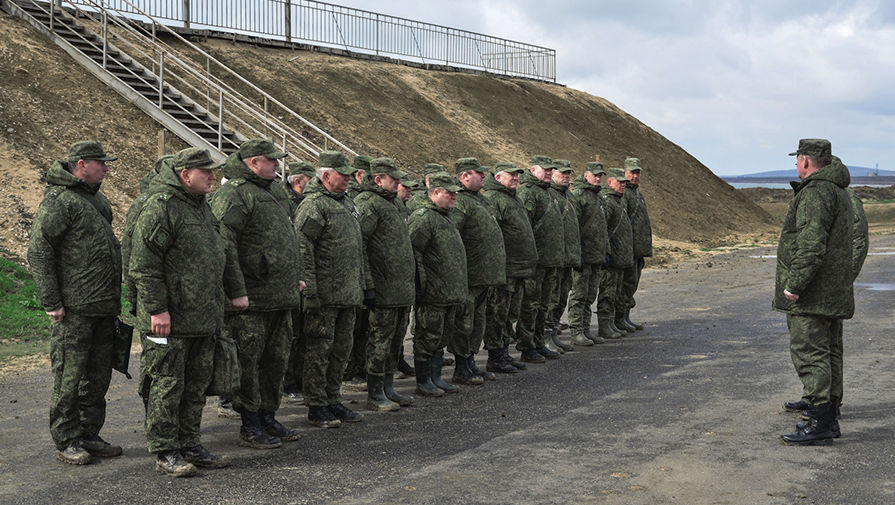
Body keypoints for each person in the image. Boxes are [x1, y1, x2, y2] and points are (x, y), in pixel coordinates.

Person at [129, 147, 231, 476]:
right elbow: (144, 265)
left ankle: (190, 443)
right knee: (166, 384)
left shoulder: (202, 208)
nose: (213, 176)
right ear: (185, 174)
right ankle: (165, 450)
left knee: (195, 386)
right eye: (206, 171)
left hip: (200, 319)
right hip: (166, 323)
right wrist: (157, 309)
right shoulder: (162, 207)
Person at [28, 141, 123, 465]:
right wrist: (51, 301)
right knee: (69, 378)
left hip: (102, 306)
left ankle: (89, 434)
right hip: (75, 309)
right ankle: (66, 439)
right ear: (82, 165)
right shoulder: (60, 201)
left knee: (97, 379)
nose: (107, 169)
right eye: (101, 163)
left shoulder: (95, 199)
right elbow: (40, 251)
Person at [211, 139, 303, 448]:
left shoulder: (273, 191)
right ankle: (250, 424)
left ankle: (268, 416)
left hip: (279, 296)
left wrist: (296, 277)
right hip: (252, 300)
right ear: (253, 163)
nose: (277, 165)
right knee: (249, 363)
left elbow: (288, 239)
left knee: (276, 361)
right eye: (272, 160)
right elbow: (224, 245)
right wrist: (236, 290)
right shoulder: (234, 194)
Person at [775, 139, 854, 445]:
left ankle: (820, 423)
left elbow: (810, 244)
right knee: (830, 352)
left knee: (811, 353)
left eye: (798, 160)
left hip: (814, 294)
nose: (797, 165)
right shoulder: (838, 191)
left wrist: (794, 285)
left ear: (806, 161)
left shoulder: (815, 193)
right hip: (832, 292)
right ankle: (828, 417)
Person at [294, 150, 368, 427]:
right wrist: (310, 290)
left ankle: (333, 399)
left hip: (348, 293)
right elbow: (303, 248)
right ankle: (316, 405)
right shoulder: (315, 205)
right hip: (325, 295)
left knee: (341, 351)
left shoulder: (345, 202)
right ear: (326, 176)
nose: (349, 179)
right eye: (343, 174)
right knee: (319, 351)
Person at [354, 158, 416, 411]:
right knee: (380, 340)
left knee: (395, 339)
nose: (398, 184)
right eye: (394, 179)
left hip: (401, 288)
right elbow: (361, 246)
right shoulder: (368, 204)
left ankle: (389, 387)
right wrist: (369, 284)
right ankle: (375, 391)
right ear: (378, 179)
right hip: (383, 288)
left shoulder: (394, 205)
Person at [408, 174, 468, 396]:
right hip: (433, 292)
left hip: (449, 292)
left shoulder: (445, 217)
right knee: (427, 336)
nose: (453, 197)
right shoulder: (424, 218)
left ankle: (435, 376)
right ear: (434, 193)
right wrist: (421, 284)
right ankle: (424, 380)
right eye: (448, 193)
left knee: (442, 336)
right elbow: (414, 253)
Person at [448, 158, 506, 385]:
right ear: (464, 176)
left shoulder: (481, 200)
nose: (484, 177)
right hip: (469, 275)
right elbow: (454, 236)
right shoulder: (461, 202)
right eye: (478, 174)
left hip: (484, 276)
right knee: (464, 322)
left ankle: (471, 362)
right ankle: (462, 366)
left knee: (477, 321)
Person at [122, 154, 173, 413]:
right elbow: (132, 253)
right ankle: (150, 410)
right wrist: (132, 298)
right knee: (156, 360)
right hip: (149, 301)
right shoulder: (147, 204)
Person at [482, 162, 537, 372]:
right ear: (498, 178)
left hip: (518, 269)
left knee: (509, 314)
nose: (515, 178)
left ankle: (504, 353)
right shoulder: (495, 200)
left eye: (517, 176)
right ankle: (495, 356)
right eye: (511, 176)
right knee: (498, 313)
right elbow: (493, 236)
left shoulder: (513, 199)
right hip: (505, 269)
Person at [516, 155, 564, 363]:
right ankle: (527, 346)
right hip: (535, 262)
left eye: (550, 170)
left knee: (543, 305)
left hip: (549, 261)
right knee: (530, 305)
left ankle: (538, 342)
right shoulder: (528, 193)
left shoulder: (548, 193)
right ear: (532, 169)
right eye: (544, 169)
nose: (548, 172)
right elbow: (525, 228)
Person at [282, 160, 316, 405]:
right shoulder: (284, 202)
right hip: (288, 280)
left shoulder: (307, 202)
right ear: (298, 181)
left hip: (304, 279)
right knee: (290, 336)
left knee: (304, 335)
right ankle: (288, 383)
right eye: (309, 179)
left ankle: (300, 380)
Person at [568, 161, 609, 346]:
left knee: (590, 295)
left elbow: (602, 228)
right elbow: (573, 228)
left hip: (596, 256)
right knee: (579, 295)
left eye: (600, 175)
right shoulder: (579, 196)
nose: (598, 178)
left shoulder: (597, 197)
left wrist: (605, 251)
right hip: (584, 256)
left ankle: (585, 329)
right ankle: (576, 331)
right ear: (586, 175)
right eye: (595, 175)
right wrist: (578, 254)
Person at [343, 155, 375, 390]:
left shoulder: (347, 202)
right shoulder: (363, 201)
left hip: (358, 279)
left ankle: (358, 369)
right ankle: (350, 372)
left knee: (361, 330)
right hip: (341, 284)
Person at [545, 159, 580, 353]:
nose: (566, 176)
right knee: (550, 299)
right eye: (562, 173)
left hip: (568, 257)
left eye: (569, 173)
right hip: (555, 257)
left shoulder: (570, 196)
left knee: (560, 299)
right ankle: (545, 336)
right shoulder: (550, 195)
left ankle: (553, 333)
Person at [597, 168, 634, 339]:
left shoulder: (619, 201)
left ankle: (611, 322)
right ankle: (604, 325)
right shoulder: (607, 202)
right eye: (619, 182)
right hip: (611, 258)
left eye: (624, 183)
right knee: (607, 292)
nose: (623, 186)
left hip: (620, 257)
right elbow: (603, 230)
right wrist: (607, 252)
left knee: (616, 292)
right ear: (610, 182)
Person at [619, 157, 652, 332]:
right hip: (628, 249)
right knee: (626, 284)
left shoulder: (638, 194)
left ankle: (625, 317)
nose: (635, 176)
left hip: (638, 249)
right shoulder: (624, 194)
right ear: (625, 172)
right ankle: (619, 318)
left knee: (632, 284)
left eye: (637, 172)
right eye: (632, 172)